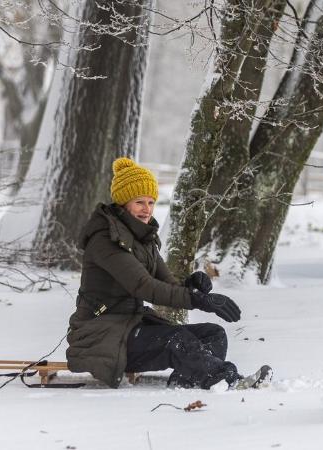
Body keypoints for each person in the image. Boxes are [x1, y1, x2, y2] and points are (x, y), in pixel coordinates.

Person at [66, 157, 271, 390]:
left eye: (151, 202)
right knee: (177, 340)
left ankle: (188, 378)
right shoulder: (106, 240)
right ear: (123, 203)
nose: (147, 210)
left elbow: (167, 282)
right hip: (99, 336)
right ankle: (227, 380)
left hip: (130, 327)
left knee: (213, 334)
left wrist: (192, 286)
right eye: (139, 202)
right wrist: (199, 301)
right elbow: (144, 287)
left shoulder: (143, 238)